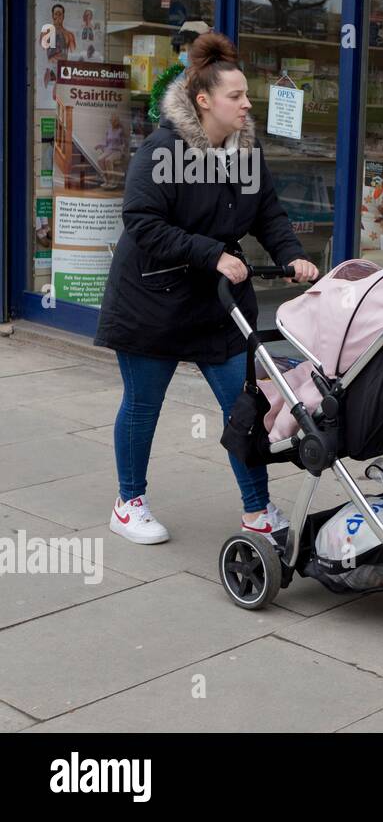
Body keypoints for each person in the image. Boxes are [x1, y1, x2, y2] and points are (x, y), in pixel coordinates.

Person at [94, 31, 320, 545]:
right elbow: (141, 221)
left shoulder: (245, 151)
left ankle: (258, 512)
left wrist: (292, 256)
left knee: (245, 405)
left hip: (218, 303)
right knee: (143, 403)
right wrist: (211, 253)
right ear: (203, 100)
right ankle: (129, 503)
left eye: (247, 96)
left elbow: (267, 213)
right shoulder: (163, 148)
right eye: (236, 96)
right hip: (153, 298)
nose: (247, 104)